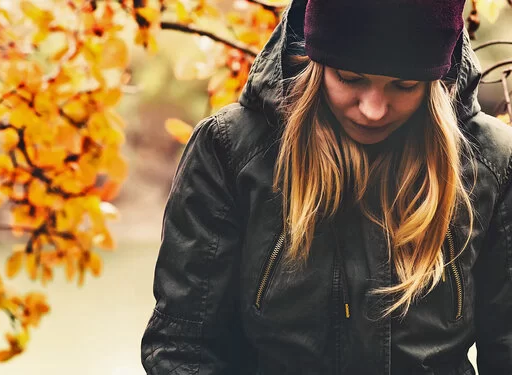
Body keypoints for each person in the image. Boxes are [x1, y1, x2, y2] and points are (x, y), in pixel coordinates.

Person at [141, 0, 512, 373]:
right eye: (350, 78)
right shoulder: (228, 149)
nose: (373, 109)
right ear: (313, 62)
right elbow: (182, 348)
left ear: (438, 81)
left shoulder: (495, 164)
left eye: (404, 85)